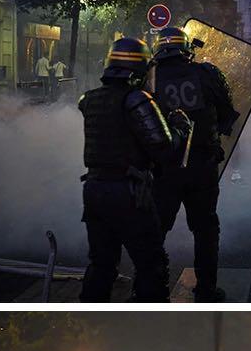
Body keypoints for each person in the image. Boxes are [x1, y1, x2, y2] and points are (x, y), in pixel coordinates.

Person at [77, 37, 191, 302]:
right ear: (140, 70)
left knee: (101, 265)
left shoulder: (90, 99)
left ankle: (93, 324)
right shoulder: (137, 99)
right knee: (151, 263)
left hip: (93, 191)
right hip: (128, 193)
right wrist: (180, 127)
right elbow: (163, 147)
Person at [151, 26, 240, 302]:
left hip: (164, 168)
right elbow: (227, 117)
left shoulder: (149, 77)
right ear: (187, 50)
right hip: (202, 167)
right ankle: (206, 290)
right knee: (205, 230)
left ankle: (150, 288)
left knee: (154, 230)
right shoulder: (207, 74)